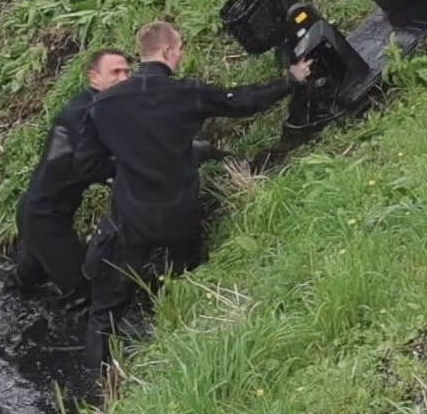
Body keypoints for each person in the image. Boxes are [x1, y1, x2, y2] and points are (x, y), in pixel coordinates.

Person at [76, 21, 311, 368]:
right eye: (180, 48)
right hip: (180, 213)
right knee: (186, 278)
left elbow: (85, 163)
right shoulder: (185, 92)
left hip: (132, 217)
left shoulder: (104, 105)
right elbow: (242, 101)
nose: (181, 54)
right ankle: (182, 343)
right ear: (169, 51)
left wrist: (123, 169)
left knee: (104, 314)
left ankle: (99, 384)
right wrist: (291, 79)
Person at [4, 48, 132, 304]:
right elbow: (90, 167)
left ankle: (14, 324)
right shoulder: (85, 114)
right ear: (94, 77)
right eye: (115, 72)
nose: (124, 78)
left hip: (39, 208)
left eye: (127, 71)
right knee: (83, 292)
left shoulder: (100, 105)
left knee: (27, 282)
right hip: (44, 217)